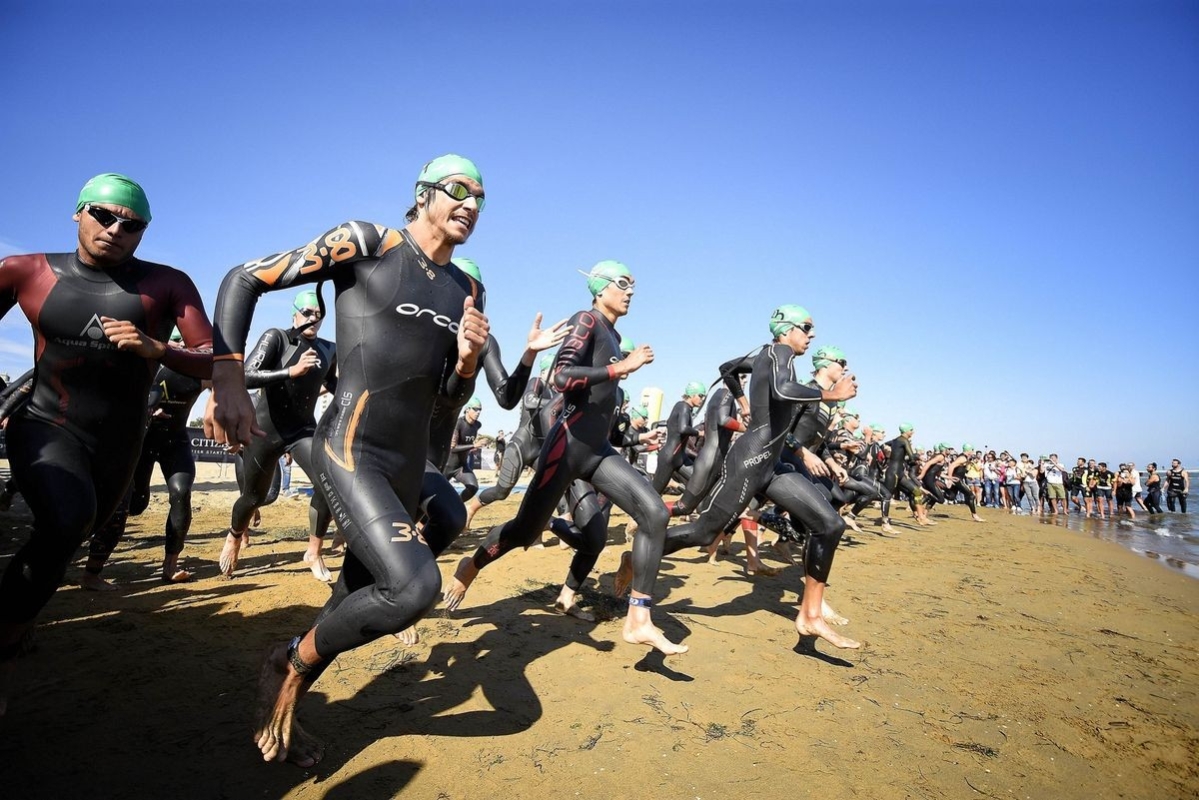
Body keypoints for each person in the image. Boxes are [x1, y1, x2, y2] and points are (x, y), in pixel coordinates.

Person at [206, 154, 490, 767]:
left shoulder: (467, 290)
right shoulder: (368, 242)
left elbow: (446, 397)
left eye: (481, 197)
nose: (471, 204)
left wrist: (468, 363)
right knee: (413, 586)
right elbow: (243, 278)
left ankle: (290, 685)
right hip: (351, 448)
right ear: (422, 193)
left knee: (387, 569)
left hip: (407, 463)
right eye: (458, 190)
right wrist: (226, 377)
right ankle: (286, 662)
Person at [0, 173, 213, 716]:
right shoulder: (24, 271)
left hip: (120, 441)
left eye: (131, 224)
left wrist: (155, 347)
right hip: (45, 422)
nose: (116, 229)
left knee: (73, 531)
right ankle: (5, 646)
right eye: (102, 214)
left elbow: (213, 358)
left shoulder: (166, 284)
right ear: (78, 212)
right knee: (65, 519)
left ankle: (18, 618)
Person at [443, 260, 687, 656]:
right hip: (566, 446)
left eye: (633, 285)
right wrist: (619, 368)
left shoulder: (613, 334)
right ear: (600, 288)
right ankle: (468, 568)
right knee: (523, 532)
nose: (630, 291)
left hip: (597, 451)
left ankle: (638, 618)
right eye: (622, 283)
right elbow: (562, 375)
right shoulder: (586, 320)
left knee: (655, 513)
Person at [655, 305, 859, 649]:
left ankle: (811, 616)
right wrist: (830, 394)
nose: (811, 335)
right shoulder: (780, 353)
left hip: (772, 465)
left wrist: (743, 401)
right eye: (806, 327)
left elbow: (727, 368)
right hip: (750, 460)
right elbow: (782, 390)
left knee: (830, 524)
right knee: (704, 532)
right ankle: (641, 554)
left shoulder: (768, 355)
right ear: (786, 329)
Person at [217, 290, 338, 582]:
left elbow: (336, 386)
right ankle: (235, 536)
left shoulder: (329, 349)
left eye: (318, 315)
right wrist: (289, 372)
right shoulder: (277, 338)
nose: (313, 319)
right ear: (295, 313)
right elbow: (246, 375)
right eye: (307, 313)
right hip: (266, 431)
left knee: (327, 482)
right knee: (255, 497)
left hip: (302, 430)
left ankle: (313, 552)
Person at [81, 328, 212, 587]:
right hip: (140, 442)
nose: (180, 349)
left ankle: (170, 566)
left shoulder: (198, 370)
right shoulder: (145, 364)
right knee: (135, 504)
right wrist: (147, 411)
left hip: (175, 441)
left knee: (181, 492)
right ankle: (92, 567)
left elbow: (229, 383)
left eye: (185, 346)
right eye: (176, 343)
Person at [651, 381, 705, 496]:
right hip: (669, 458)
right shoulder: (683, 407)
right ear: (691, 394)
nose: (702, 399)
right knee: (654, 494)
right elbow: (683, 428)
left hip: (680, 457)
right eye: (700, 395)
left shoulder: (687, 409)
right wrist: (699, 433)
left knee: (700, 481)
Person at [442, 397, 483, 501]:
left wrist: (472, 447)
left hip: (461, 466)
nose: (478, 412)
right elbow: (453, 447)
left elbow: (467, 442)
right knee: (435, 494)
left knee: (473, 487)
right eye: (475, 409)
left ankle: (456, 505)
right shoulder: (458, 423)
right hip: (447, 466)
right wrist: (473, 446)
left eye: (480, 410)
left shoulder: (477, 425)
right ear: (467, 409)